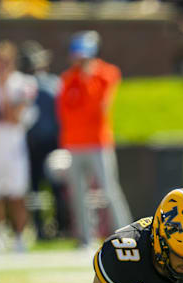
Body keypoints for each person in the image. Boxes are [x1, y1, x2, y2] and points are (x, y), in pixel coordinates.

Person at [57, 30, 132, 249]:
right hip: (74, 143)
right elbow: (66, 112)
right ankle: (84, 238)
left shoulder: (106, 73)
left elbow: (99, 106)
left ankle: (127, 234)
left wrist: (87, 78)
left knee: (109, 190)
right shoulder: (67, 78)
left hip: (98, 143)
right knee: (78, 194)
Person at [0, 40, 37, 253]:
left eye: (4, 62)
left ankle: (21, 236)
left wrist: (3, 90)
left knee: (17, 194)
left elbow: (13, 117)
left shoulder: (23, 84)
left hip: (13, 150)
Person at [20, 40, 70, 240]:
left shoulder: (37, 84)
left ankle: (45, 227)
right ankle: (55, 226)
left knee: (39, 188)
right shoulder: (52, 83)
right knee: (49, 188)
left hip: (40, 143)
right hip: (47, 142)